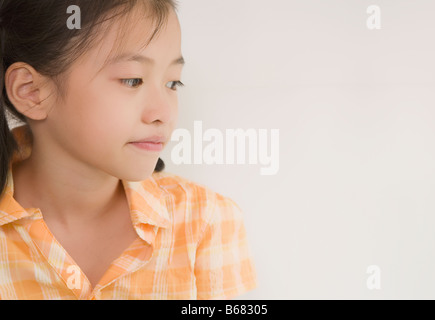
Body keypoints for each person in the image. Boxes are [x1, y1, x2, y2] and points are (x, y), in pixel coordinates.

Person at [0, 0, 257, 300]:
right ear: (31, 91)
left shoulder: (206, 222)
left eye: (173, 83)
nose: (163, 112)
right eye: (132, 80)